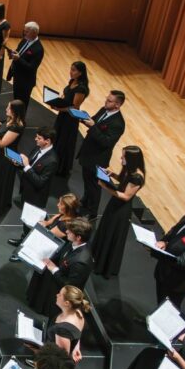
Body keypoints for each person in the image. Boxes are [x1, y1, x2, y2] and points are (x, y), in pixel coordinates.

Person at [91, 145, 144, 277]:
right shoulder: (129, 170)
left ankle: (104, 266)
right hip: (114, 204)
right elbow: (123, 181)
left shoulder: (137, 177)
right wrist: (112, 174)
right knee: (105, 229)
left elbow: (126, 196)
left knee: (111, 233)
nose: (121, 158)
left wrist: (106, 187)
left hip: (121, 210)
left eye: (124, 156)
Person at [27, 219, 94, 319]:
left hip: (61, 288)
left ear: (78, 237)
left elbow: (69, 286)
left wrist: (54, 269)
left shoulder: (81, 262)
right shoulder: (74, 243)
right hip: (59, 273)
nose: (66, 232)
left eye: (70, 231)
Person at [77, 91, 126, 219]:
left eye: (109, 101)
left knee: (94, 186)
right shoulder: (103, 110)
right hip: (87, 153)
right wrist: (83, 118)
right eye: (107, 99)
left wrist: (93, 127)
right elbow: (94, 121)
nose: (106, 102)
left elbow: (106, 142)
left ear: (117, 105)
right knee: (87, 181)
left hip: (98, 158)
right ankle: (85, 201)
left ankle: (92, 212)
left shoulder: (118, 124)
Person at [47, 61, 90, 177]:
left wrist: (59, 108)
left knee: (63, 142)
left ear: (80, 73)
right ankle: (53, 163)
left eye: (74, 70)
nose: (71, 72)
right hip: (63, 115)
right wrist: (57, 100)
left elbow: (74, 107)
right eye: (71, 69)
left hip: (70, 119)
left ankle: (60, 168)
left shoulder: (81, 88)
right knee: (57, 138)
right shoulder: (72, 82)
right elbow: (66, 96)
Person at [12, 193, 83, 259]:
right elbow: (48, 222)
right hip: (49, 236)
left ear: (68, 208)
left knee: (33, 235)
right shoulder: (63, 214)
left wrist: (37, 226)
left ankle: (23, 254)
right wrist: (44, 223)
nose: (57, 205)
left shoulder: (65, 225)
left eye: (61, 204)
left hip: (52, 245)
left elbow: (47, 236)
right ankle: (23, 242)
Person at [16, 126, 59, 235]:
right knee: (26, 218)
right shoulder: (37, 148)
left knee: (31, 222)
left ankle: (26, 240)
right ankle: (23, 238)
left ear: (47, 141)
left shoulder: (52, 160)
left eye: (39, 138)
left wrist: (26, 166)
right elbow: (30, 165)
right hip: (27, 191)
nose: (35, 139)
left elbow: (40, 182)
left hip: (36, 197)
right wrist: (20, 164)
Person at [6, 21, 44, 113]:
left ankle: (20, 122)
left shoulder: (38, 49)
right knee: (15, 101)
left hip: (26, 81)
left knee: (22, 104)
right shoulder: (24, 40)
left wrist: (18, 59)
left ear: (34, 32)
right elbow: (19, 52)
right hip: (17, 76)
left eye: (27, 31)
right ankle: (14, 118)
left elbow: (31, 67)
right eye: (24, 31)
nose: (24, 33)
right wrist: (13, 54)